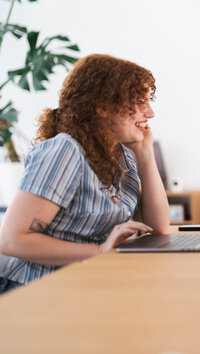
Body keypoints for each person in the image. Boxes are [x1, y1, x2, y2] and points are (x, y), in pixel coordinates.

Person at [0, 54, 170, 294]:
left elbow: (158, 227)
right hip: (35, 290)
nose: (150, 113)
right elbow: (11, 240)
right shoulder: (65, 150)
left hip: (85, 285)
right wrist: (99, 252)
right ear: (103, 107)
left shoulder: (121, 155)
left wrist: (145, 154)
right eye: (138, 102)